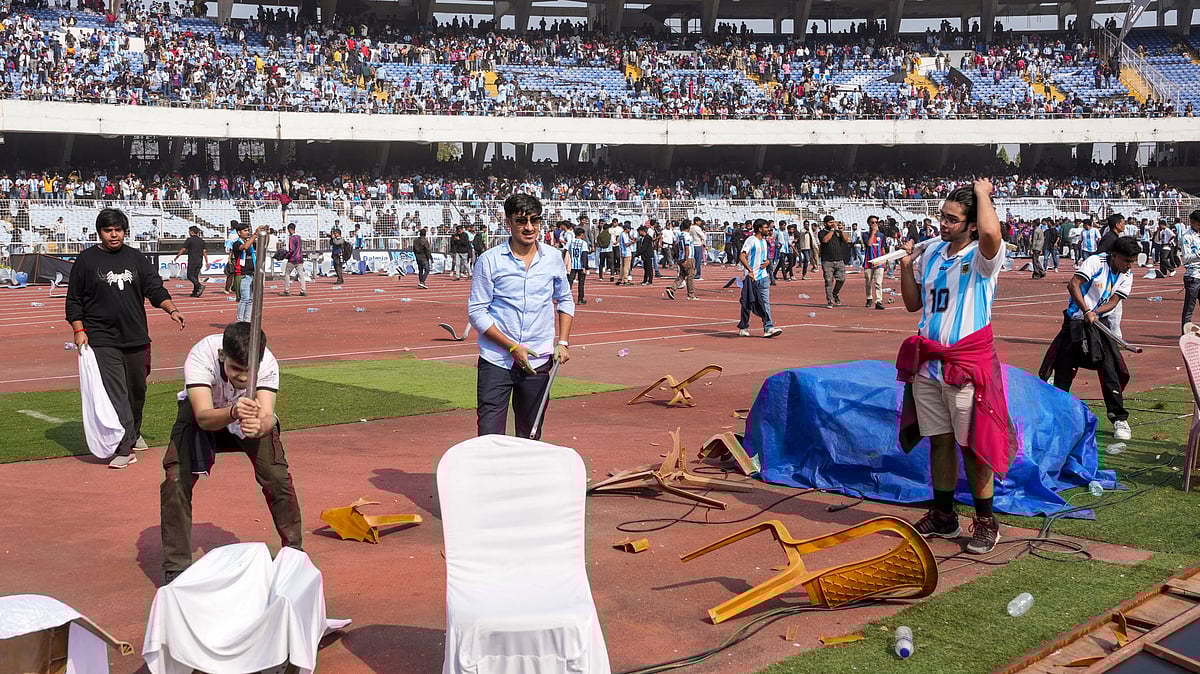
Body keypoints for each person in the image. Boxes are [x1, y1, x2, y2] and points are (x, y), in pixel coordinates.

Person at [896, 180, 1008, 555]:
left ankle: (986, 521)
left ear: (971, 224)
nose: (943, 223)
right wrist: (906, 267)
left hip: (966, 364)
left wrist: (982, 193)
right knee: (939, 440)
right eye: (941, 216)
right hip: (929, 365)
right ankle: (944, 514)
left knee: (973, 447)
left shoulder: (982, 256)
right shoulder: (931, 253)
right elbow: (914, 305)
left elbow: (992, 231)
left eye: (952, 218)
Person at [159, 322, 302, 585]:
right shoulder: (202, 356)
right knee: (176, 478)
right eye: (236, 369)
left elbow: (268, 415)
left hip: (247, 415)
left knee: (277, 476)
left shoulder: (267, 361)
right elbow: (203, 417)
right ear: (223, 356)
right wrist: (234, 411)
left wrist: (260, 426)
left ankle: (295, 555)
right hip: (207, 414)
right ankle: (176, 569)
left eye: (250, 372)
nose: (244, 378)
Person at [66, 208, 186, 469]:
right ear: (100, 233)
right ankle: (124, 448)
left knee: (137, 392)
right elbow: (74, 300)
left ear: (124, 231)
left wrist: (172, 309)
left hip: (136, 337)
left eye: (118, 230)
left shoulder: (136, 258)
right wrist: (79, 330)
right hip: (102, 338)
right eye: (108, 230)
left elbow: (154, 288)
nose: (113, 235)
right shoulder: (86, 261)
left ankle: (133, 431)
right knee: (116, 394)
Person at [468, 194, 575, 440]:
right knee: (489, 436)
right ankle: (491, 479)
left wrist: (564, 342)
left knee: (530, 436)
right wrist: (512, 346)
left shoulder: (553, 258)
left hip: (538, 361)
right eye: (521, 221)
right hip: (497, 361)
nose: (529, 227)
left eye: (535, 220)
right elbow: (477, 311)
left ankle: (524, 479)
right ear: (509, 223)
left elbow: (565, 299)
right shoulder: (489, 261)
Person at [1039, 237, 1140, 441]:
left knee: (1111, 367)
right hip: (1075, 322)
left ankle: (1118, 417)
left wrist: (1094, 312)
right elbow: (1073, 284)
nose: (1129, 265)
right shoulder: (1096, 262)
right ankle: (1059, 415)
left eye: (1133, 261)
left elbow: (1114, 300)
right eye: (1126, 260)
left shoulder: (1127, 274)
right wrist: (1085, 310)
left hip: (1097, 324)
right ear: (1114, 256)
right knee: (1064, 369)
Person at [737, 219, 783, 338]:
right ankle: (744, 326)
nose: (768, 229)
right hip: (751, 278)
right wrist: (750, 270)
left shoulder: (764, 241)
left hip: (763, 276)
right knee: (747, 303)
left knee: (765, 303)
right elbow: (742, 256)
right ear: (759, 229)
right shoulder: (751, 240)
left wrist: (767, 262)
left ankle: (768, 327)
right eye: (766, 227)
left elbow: (763, 257)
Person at [230, 222, 260, 323]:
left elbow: (264, 245)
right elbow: (245, 247)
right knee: (244, 299)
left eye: (248, 230)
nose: (247, 232)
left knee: (251, 299)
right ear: (239, 232)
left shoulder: (249, 242)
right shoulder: (236, 243)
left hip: (251, 274)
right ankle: (239, 320)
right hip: (242, 275)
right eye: (245, 231)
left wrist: (266, 234)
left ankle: (247, 321)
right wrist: (255, 234)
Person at [819, 215, 849, 309]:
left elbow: (846, 240)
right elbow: (825, 240)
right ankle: (830, 300)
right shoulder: (822, 232)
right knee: (828, 281)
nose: (832, 224)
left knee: (841, 279)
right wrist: (832, 230)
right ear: (825, 224)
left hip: (839, 260)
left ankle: (835, 293)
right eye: (830, 222)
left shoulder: (837, 232)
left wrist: (841, 231)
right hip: (827, 261)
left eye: (833, 222)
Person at [1179, 211, 1200, 332]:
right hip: (1193, 275)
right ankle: (1185, 333)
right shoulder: (1187, 236)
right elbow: (1186, 257)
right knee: (1189, 307)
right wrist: (1198, 254)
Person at [173, 226, 208, 297]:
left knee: (190, 275)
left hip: (192, 261)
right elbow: (204, 252)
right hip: (199, 260)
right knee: (195, 276)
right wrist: (207, 261)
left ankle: (199, 286)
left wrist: (177, 256)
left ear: (192, 232)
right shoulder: (201, 241)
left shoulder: (189, 240)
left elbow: (183, 249)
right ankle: (195, 292)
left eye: (189, 231)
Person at [665, 225, 697, 301]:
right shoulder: (688, 236)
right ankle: (691, 294)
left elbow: (675, 246)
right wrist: (686, 259)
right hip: (688, 258)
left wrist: (678, 256)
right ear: (688, 228)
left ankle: (672, 289)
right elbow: (687, 248)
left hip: (680, 257)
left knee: (682, 275)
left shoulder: (678, 235)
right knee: (690, 276)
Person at [862, 216, 887, 310]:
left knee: (878, 282)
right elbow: (868, 244)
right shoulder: (865, 234)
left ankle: (878, 301)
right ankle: (869, 298)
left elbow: (883, 248)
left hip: (879, 261)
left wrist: (885, 261)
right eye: (872, 222)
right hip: (869, 261)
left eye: (876, 222)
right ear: (868, 223)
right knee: (868, 282)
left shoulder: (881, 235)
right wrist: (873, 233)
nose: (874, 224)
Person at [281, 223, 307, 297]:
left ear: (290, 229)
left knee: (287, 273)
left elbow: (292, 250)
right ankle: (303, 290)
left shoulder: (292, 238)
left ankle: (287, 290)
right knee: (301, 274)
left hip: (293, 259)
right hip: (300, 258)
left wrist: (287, 256)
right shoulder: (299, 237)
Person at [567, 226, 590, 304]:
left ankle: (566, 298)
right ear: (582, 235)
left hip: (571, 265)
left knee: (569, 282)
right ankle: (580, 299)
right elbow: (584, 255)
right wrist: (585, 266)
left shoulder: (570, 241)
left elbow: (566, 252)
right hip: (580, 265)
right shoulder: (583, 243)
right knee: (581, 283)